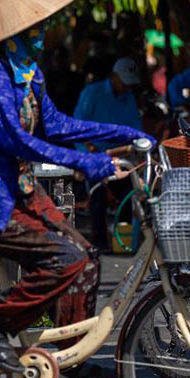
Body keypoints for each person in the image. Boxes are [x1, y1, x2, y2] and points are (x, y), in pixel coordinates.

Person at [0, 0, 152, 373]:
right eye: (35, 29)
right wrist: (84, 162)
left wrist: (124, 133)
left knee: (87, 259)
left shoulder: (28, 72)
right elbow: (14, 138)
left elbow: (56, 125)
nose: (42, 36)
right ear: (14, 32)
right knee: (64, 259)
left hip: (18, 189)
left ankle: (69, 358)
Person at [73, 57, 143, 251]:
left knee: (129, 196)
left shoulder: (128, 97)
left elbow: (135, 128)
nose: (127, 88)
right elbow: (78, 127)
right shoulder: (91, 94)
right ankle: (99, 245)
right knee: (98, 198)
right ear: (113, 77)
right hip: (94, 154)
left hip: (120, 156)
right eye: (124, 83)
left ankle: (123, 241)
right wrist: (88, 157)